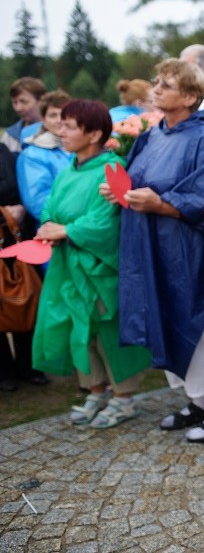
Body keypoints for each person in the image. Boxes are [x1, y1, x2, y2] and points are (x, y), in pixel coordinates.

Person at [101, 58, 204, 442]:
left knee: (197, 321)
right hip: (148, 243)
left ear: (191, 96)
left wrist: (161, 203)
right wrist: (120, 191)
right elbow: (139, 179)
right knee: (163, 314)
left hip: (184, 245)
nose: (156, 88)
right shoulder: (152, 134)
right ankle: (199, 400)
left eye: (166, 84)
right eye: (156, 82)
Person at [32, 100, 151, 426]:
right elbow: (50, 207)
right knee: (79, 330)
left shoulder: (112, 168)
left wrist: (67, 230)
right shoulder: (70, 167)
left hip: (98, 268)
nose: (61, 131)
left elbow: (105, 223)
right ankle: (96, 390)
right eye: (62, 124)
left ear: (95, 133)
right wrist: (48, 226)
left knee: (107, 330)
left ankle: (124, 397)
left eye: (70, 126)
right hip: (69, 265)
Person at [0, 142, 47, 391]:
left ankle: (28, 367)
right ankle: (4, 372)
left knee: (24, 298)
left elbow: (14, 190)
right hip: (7, 228)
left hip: (12, 239)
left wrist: (12, 210)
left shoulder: (4, 152)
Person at [16, 90, 73, 223]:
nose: (60, 120)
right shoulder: (32, 155)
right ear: (43, 119)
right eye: (53, 115)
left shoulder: (79, 146)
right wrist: (73, 224)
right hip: (56, 230)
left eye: (64, 114)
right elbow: (37, 202)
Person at [1, 77, 46, 154]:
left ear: (41, 101)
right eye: (15, 102)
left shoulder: (59, 133)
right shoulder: (9, 137)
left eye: (24, 102)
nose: (18, 108)